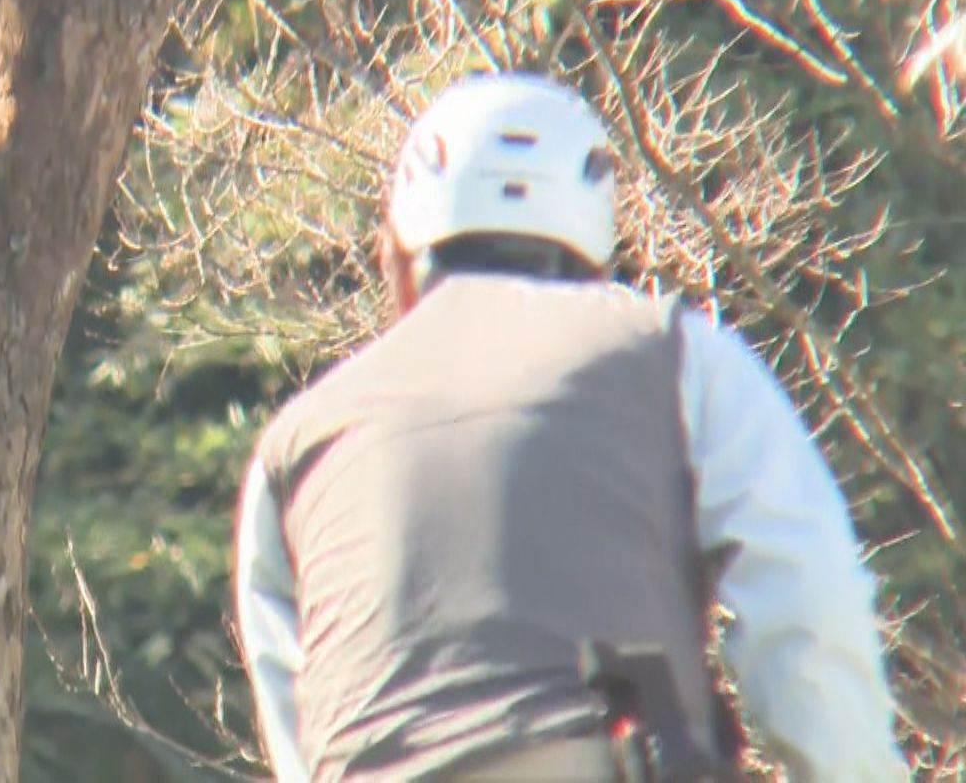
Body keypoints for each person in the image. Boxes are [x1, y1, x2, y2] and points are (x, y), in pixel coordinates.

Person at [233, 73, 906, 781]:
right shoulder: (673, 353)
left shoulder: (297, 443)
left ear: (401, 249)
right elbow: (806, 597)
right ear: (595, 238)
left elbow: (298, 732)